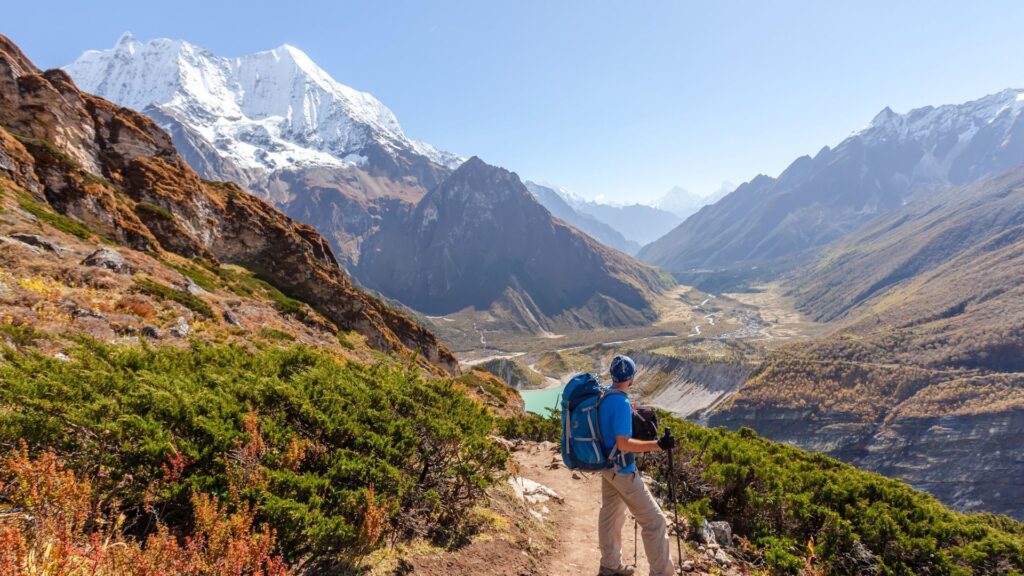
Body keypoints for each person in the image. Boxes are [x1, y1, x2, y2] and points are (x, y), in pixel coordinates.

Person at [597, 354, 677, 576]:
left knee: (610, 515)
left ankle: (609, 565)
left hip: (606, 466)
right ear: (631, 377)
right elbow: (623, 443)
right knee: (654, 522)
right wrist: (658, 445)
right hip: (622, 470)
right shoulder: (621, 402)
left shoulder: (604, 395)